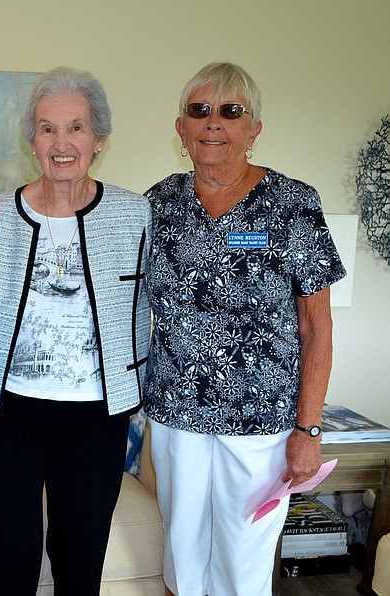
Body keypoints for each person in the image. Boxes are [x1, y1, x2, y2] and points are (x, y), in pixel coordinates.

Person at [144, 62, 347, 596]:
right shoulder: (158, 203)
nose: (213, 123)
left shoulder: (293, 203)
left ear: (253, 129)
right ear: (181, 128)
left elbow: (316, 328)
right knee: (180, 554)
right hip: (176, 414)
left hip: (261, 421)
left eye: (230, 112)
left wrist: (309, 431)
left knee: (244, 561)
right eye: (200, 111)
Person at [0, 66, 151, 596]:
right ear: (32, 140)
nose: (61, 142)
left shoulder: (135, 214)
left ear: (98, 139)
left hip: (96, 413)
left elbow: (156, 304)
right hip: (9, 410)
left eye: (76, 128)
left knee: (80, 556)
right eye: (47, 128)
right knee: (4, 553)